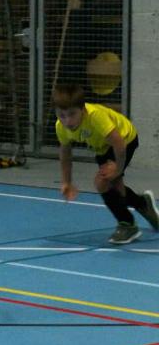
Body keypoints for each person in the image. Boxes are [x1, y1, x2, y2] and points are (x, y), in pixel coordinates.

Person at [53, 83, 158, 244]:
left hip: (125, 139)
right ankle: (143, 203)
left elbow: (120, 145)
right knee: (117, 189)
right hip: (102, 147)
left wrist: (118, 170)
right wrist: (67, 181)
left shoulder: (96, 117)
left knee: (102, 182)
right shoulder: (61, 127)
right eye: (62, 115)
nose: (67, 120)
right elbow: (65, 153)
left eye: (72, 114)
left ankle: (128, 225)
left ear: (83, 109)